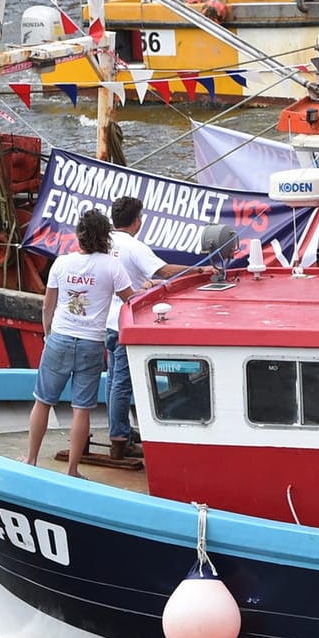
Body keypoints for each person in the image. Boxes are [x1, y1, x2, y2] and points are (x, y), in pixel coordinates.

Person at [25, 209, 134, 475]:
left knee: (42, 401)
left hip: (59, 338)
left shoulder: (61, 263)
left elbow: (47, 306)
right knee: (81, 409)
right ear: (105, 236)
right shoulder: (112, 266)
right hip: (91, 343)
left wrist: (47, 334)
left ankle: (31, 460)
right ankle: (73, 470)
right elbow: (131, 299)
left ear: (79, 235)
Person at [105, 196, 190, 460]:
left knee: (113, 380)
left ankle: (117, 428)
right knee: (122, 383)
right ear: (138, 221)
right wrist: (202, 269)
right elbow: (164, 272)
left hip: (107, 320)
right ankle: (119, 437)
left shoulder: (104, 242)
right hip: (126, 322)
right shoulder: (134, 246)